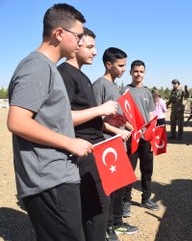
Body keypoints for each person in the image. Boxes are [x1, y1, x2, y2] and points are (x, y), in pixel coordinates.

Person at [7, 4, 92, 241]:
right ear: (58, 33)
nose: (80, 42)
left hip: (57, 176)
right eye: (78, 36)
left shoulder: (48, 68)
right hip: (48, 180)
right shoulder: (37, 67)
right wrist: (69, 142)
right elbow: (17, 121)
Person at [57, 28, 119, 241]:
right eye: (90, 47)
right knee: (97, 205)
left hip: (95, 148)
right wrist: (100, 109)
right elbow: (61, 117)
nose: (95, 52)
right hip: (82, 151)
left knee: (99, 203)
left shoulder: (81, 75)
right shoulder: (64, 74)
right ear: (75, 45)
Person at [92, 47, 138, 238]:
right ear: (108, 65)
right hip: (106, 146)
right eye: (121, 66)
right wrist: (117, 131)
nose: (124, 69)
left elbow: (115, 115)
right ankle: (107, 228)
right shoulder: (99, 86)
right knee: (108, 190)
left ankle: (117, 222)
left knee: (119, 186)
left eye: (125, 65)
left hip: (118, 144)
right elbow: (95, 120)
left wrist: (127, 124)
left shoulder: (115, 87)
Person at [120, 60, 159, 216]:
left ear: (145, 73)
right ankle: (126, 201)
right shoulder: (124, 91)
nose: (138, 74)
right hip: (131, 138)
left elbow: (150, 115)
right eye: (136, 71)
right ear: (130, 72)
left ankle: (146, 198)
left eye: (141, 71)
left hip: (146, 138)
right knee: (129, 171)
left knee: (147, 170)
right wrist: (129, 127)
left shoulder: (148, 93)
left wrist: (152, 133)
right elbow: (120, 114)